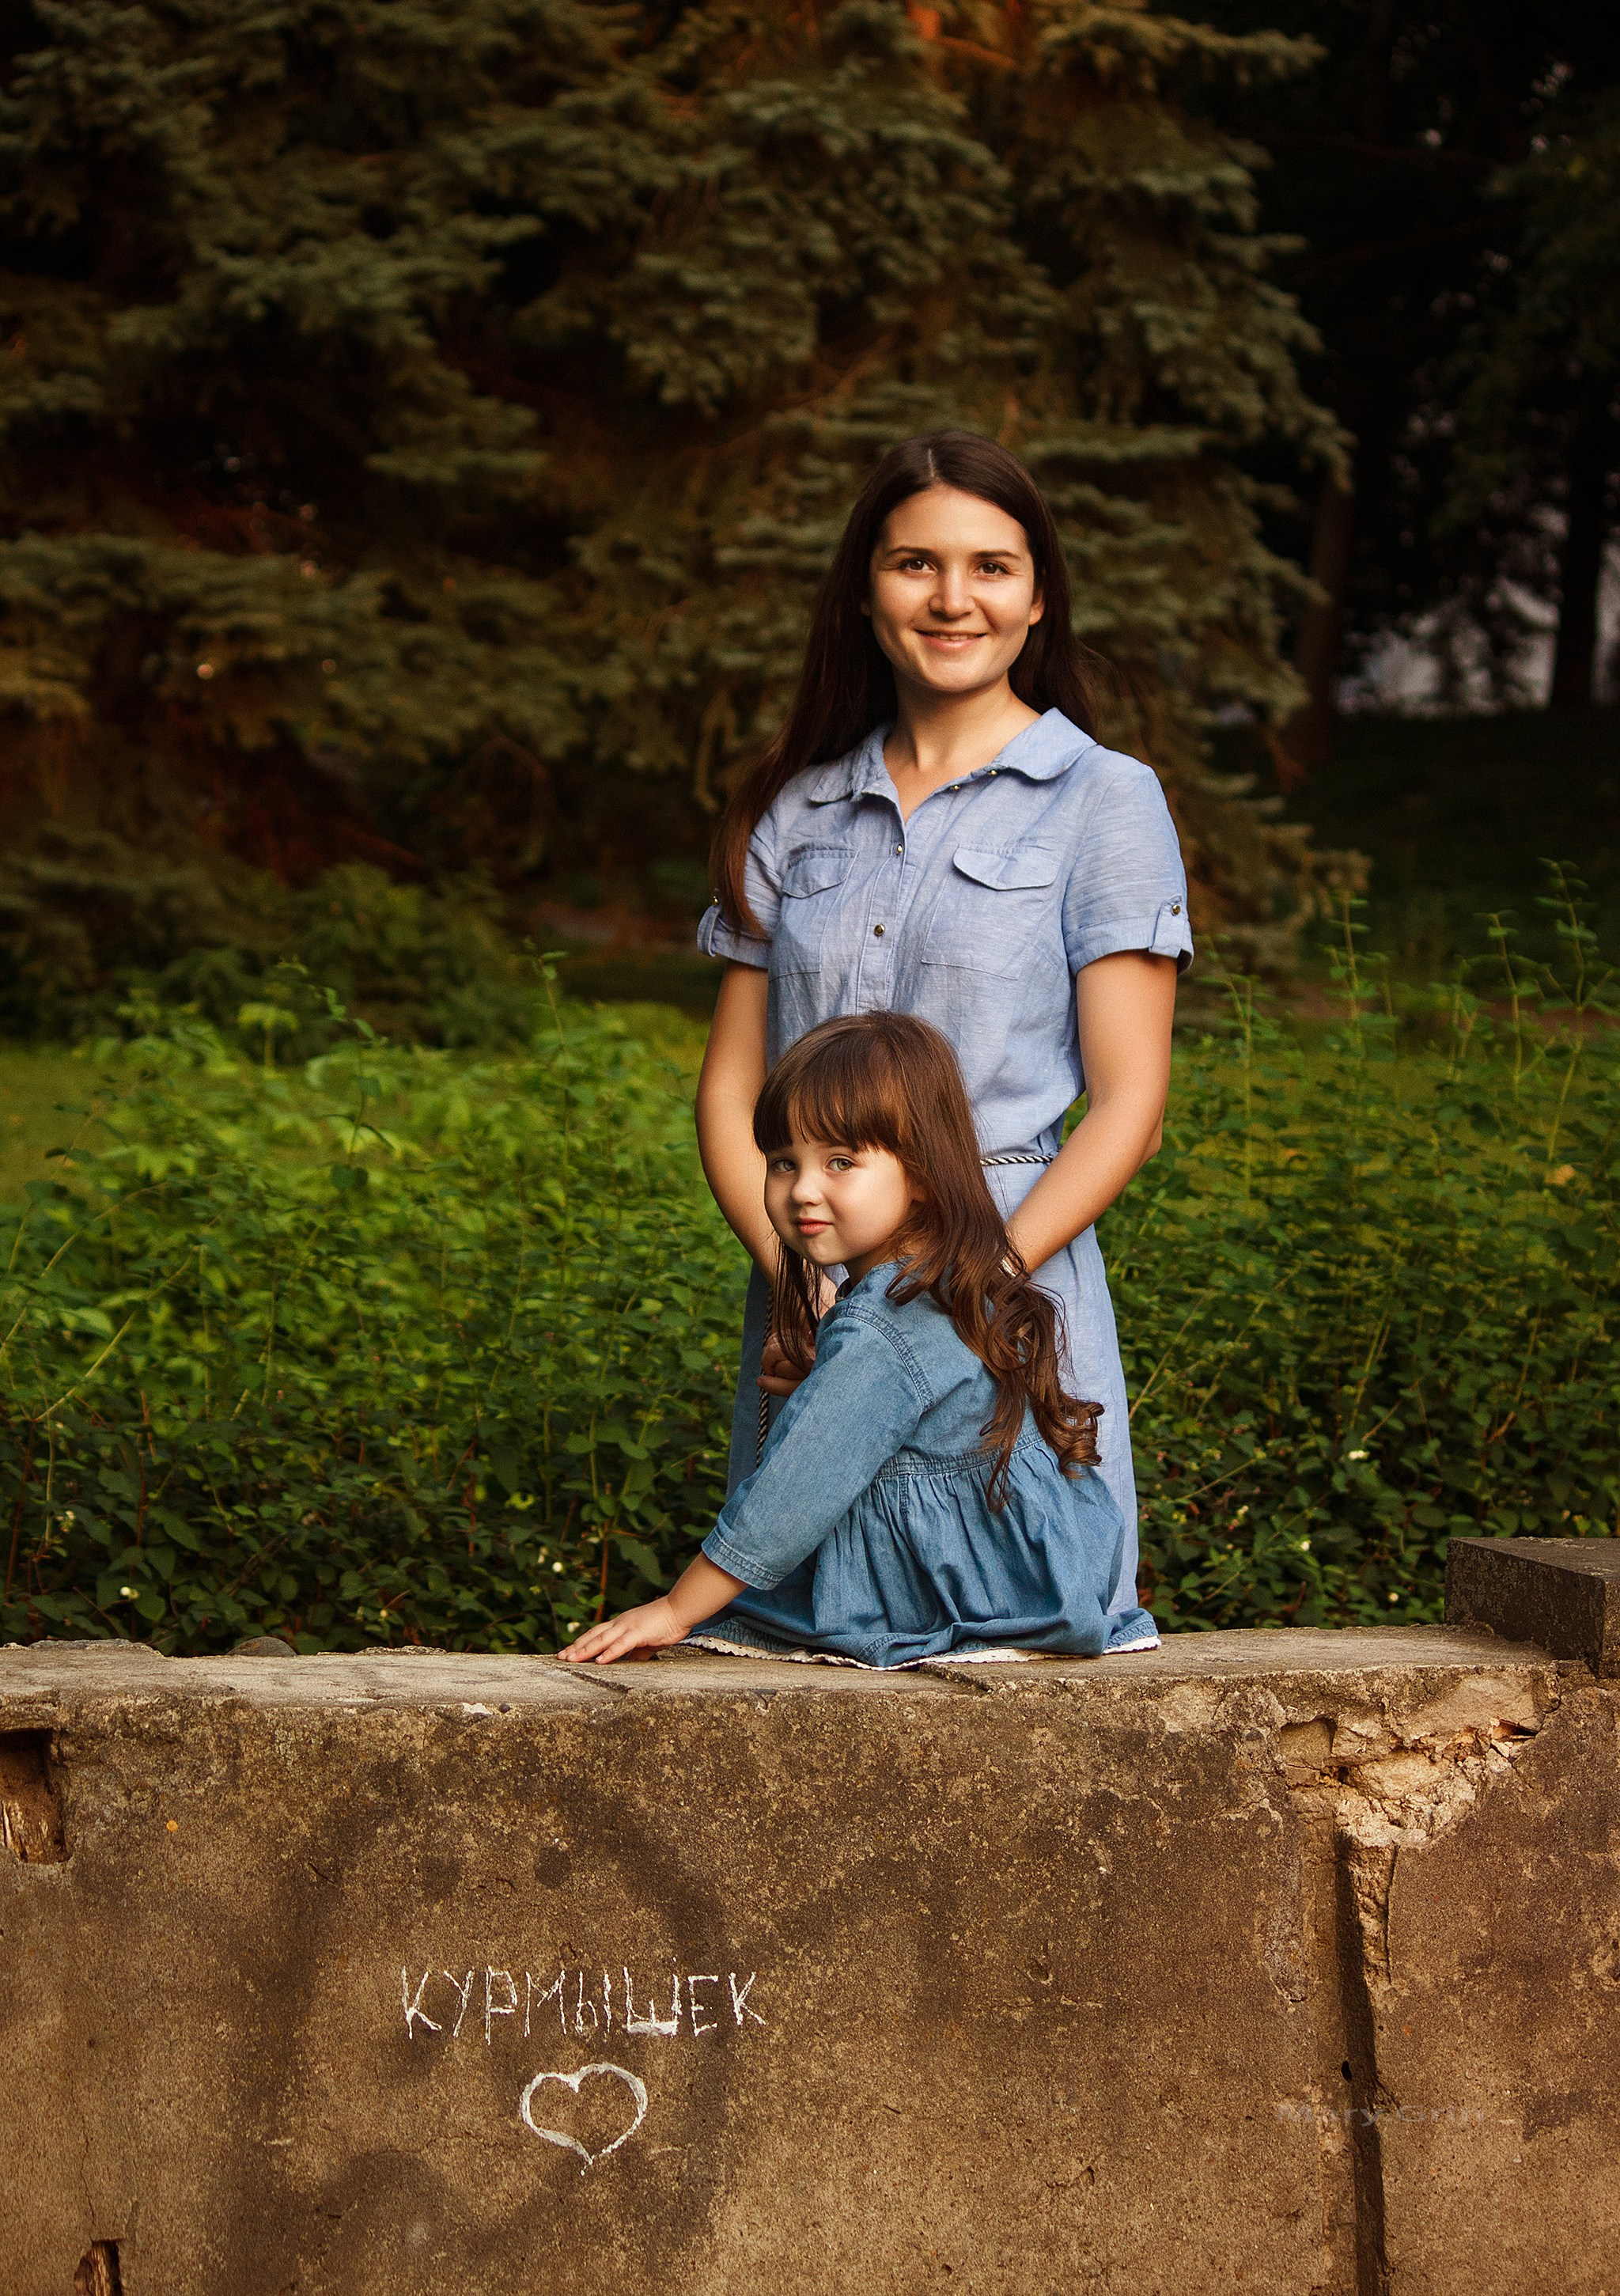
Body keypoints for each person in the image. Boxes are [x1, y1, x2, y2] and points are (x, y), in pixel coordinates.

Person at [691, 430, 1190, 1646]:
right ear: (866, 588)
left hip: (1008, 1273)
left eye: (992, 566)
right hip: (815, 1275)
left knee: (1022, 1642)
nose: (953, 597)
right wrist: (795, 1267)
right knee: (791, 1636)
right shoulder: (790, 807)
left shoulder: (1104, 799)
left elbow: (1128, 1100)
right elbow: (730, 1085)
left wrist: (973, 1277)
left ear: (1037, 599)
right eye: (916, 562)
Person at [562, 1013, 1154, 1669]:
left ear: (923, 1175)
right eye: (783, 1162)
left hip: (965, 1593)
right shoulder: (947, 1284)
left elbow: (794, 1492)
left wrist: (675, 1610)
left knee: (745, 1620)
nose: (803, 1190)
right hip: (1029, 1579)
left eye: (841, 1161)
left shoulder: (889, 1318)